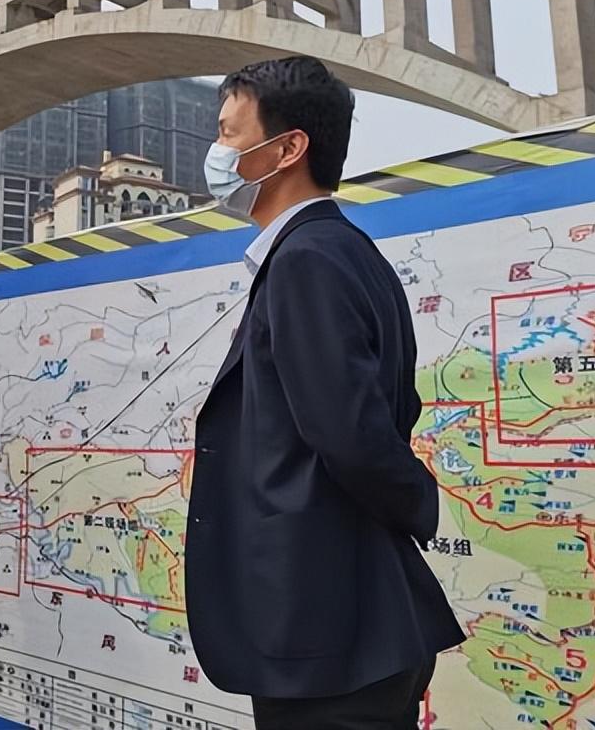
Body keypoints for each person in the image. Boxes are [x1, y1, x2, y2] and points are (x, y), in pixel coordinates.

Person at [184, 57, 464, 729]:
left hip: (327, 626)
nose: (218, 153)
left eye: (229, 133)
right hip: (344, 622)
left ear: (287, 148)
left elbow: (351, 433)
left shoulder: (308, 260)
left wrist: (417, 502)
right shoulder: (342, 252)